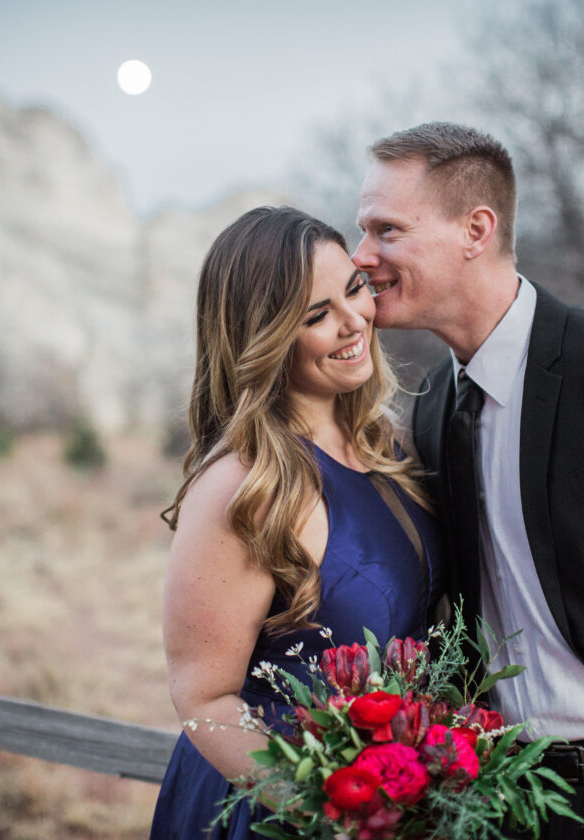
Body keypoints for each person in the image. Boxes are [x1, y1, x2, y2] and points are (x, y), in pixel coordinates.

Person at [352, 122, 584, 840]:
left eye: (386, 230)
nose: (363, 256)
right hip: (493, 801)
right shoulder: (429, 408)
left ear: (475, 230)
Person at [150, 206, 445, 840]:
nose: (353, 321)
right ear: (264, 336)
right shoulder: (246, 485)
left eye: (355, 289)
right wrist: (330, 814)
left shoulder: (387, 445)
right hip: (276, 811)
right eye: (316, 316)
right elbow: (203, 700)